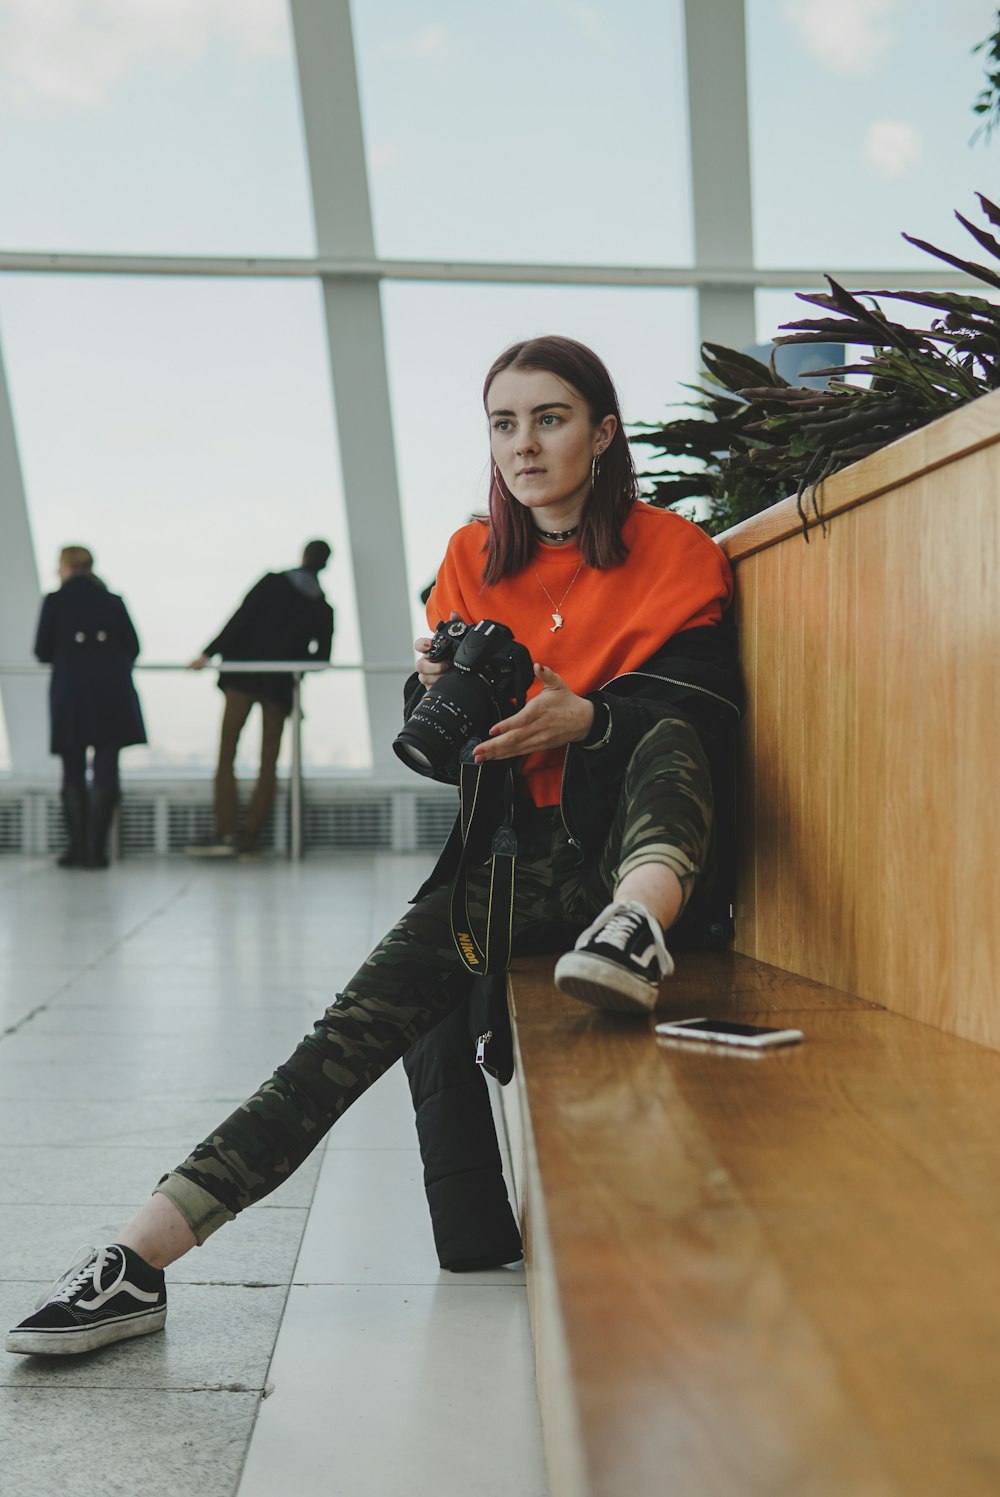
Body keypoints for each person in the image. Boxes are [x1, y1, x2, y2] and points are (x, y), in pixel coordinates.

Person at [6, 335, 741, 1357]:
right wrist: (440, 692)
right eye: (503, 423)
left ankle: (635, 928)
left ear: (603, 431)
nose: (523, 444)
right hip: (506, 864)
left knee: (656, 728)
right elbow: (448, 744)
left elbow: (706, 719)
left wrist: (594, 720)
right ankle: (137, 1262)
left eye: (550, 417)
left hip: (629, 851)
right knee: (339, 1039)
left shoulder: (679, 553)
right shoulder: (470, 559)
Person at [187, 540, 334, 857]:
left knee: (227, 753)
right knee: (269, 762)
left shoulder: (271, 583)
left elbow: (240, 619)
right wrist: (293, 661)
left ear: (302, 555)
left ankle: (225, 832)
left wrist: (207, 653)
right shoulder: (322, 608)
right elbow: (322, 658)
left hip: (242, 677)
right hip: (280, 687)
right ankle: (249, 837)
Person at [33, 546, 147, 871]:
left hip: (72, 691)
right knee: (107, 766)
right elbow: (134, 646)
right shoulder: (112, 600)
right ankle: (97, 852)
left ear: (66, 566)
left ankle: (77, 849)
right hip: (112, 689)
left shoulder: (56, 600)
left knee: (72, 767)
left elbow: (42, 650)